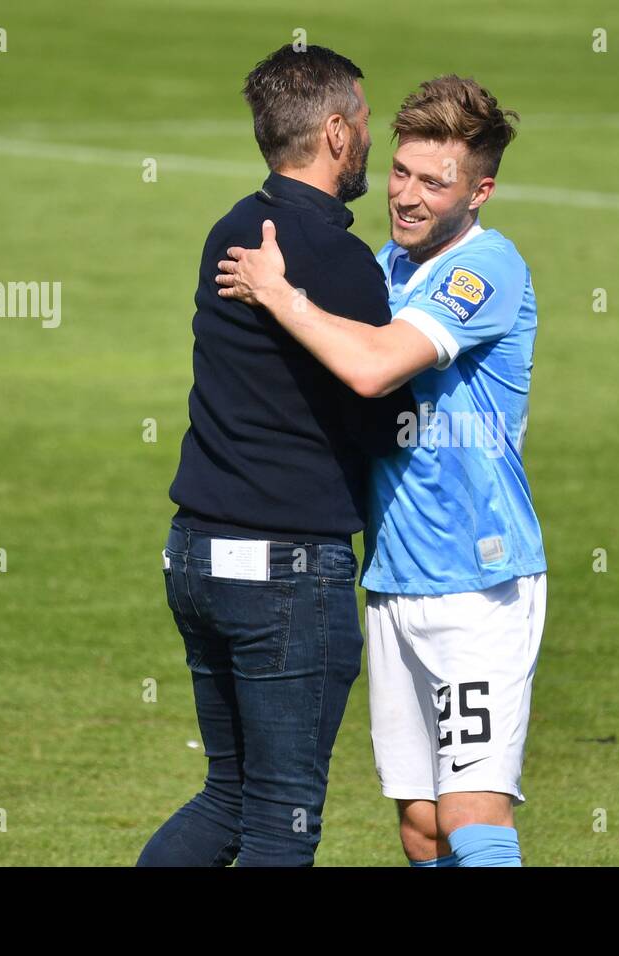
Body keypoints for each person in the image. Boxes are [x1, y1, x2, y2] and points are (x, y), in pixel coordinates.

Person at [217, 75, 546, 867]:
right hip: (394, 582)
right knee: (421, 827)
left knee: (471, 817)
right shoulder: (385, 268)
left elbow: (374, 369)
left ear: (480, 191)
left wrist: (280, 295)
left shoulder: (485, 269)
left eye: (436, 182)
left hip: (479, 582)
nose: (407, 195)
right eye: (401, 171)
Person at [137, 44, 413, 867]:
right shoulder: (337, 261)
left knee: (228, 799)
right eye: (364, 120)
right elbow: (383, 417)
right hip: (286, 577)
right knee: (280, 824)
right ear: (335, 131)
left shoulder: (231, 228)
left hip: (196, 558)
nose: (370, 137)